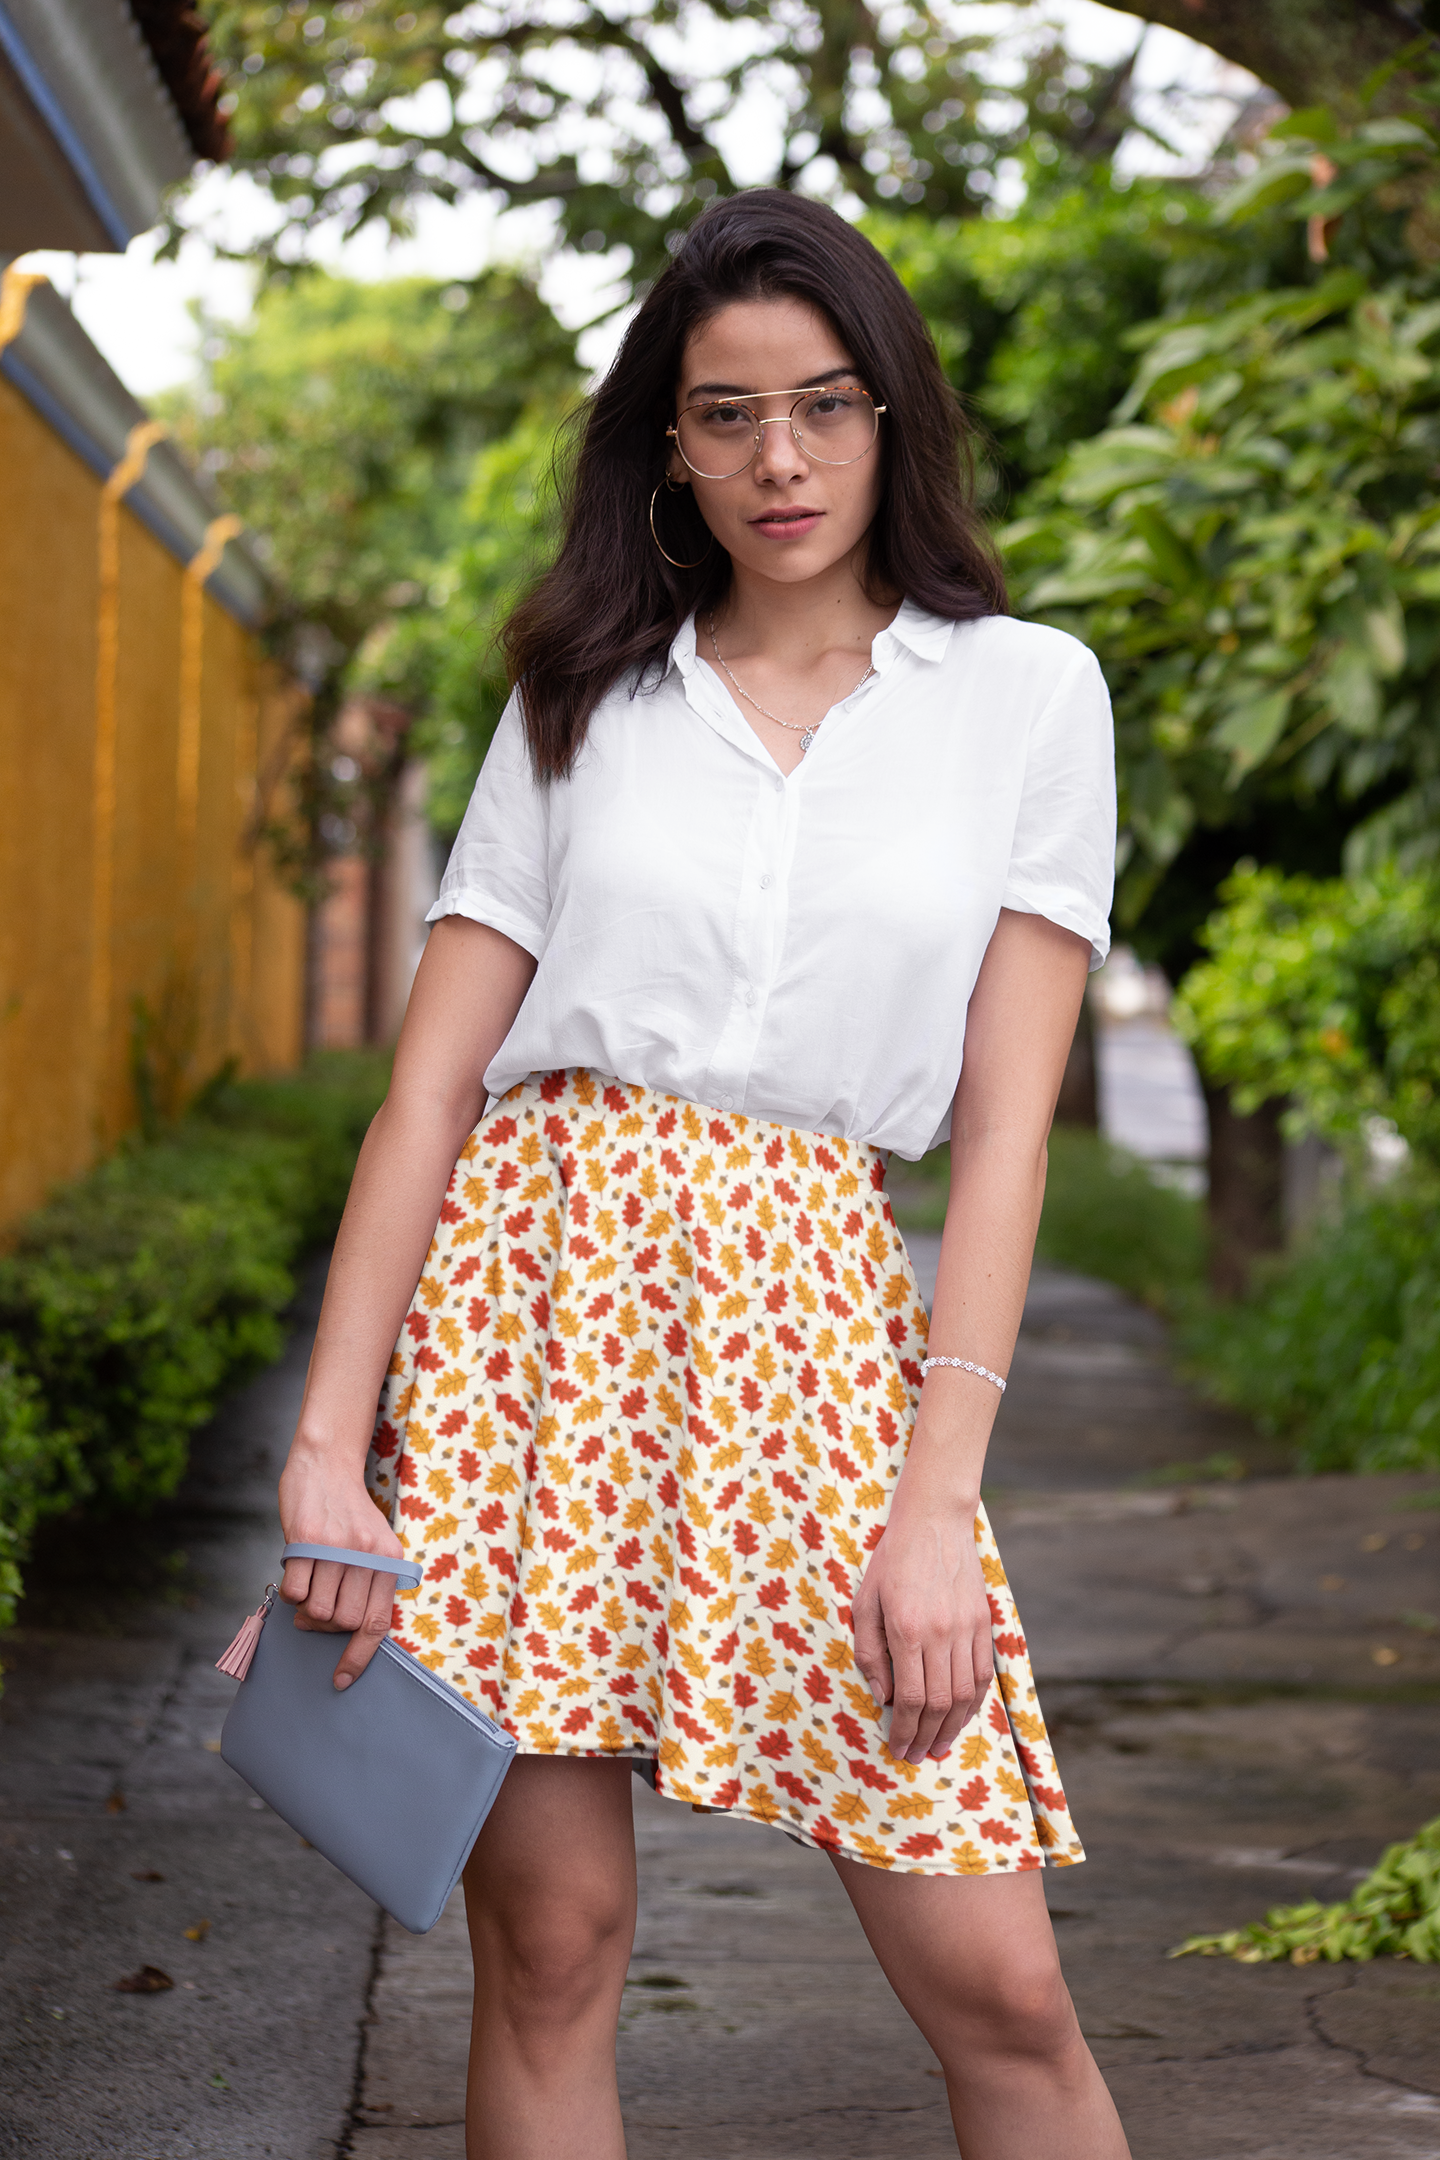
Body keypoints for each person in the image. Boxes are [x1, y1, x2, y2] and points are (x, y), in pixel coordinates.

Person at [276, 188, 1129, 2160]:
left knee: (1001, 1987)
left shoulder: (1023, 698)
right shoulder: (586, 691)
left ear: (893, 415)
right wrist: (332, 1447)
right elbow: (428, 1096)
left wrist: (939, 1508)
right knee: (557, 1946)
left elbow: (1006, 1134)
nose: (782, 458)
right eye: (728, 413)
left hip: (820, 1343)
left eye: (825, 406)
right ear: (668, 436)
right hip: (531, 1332)